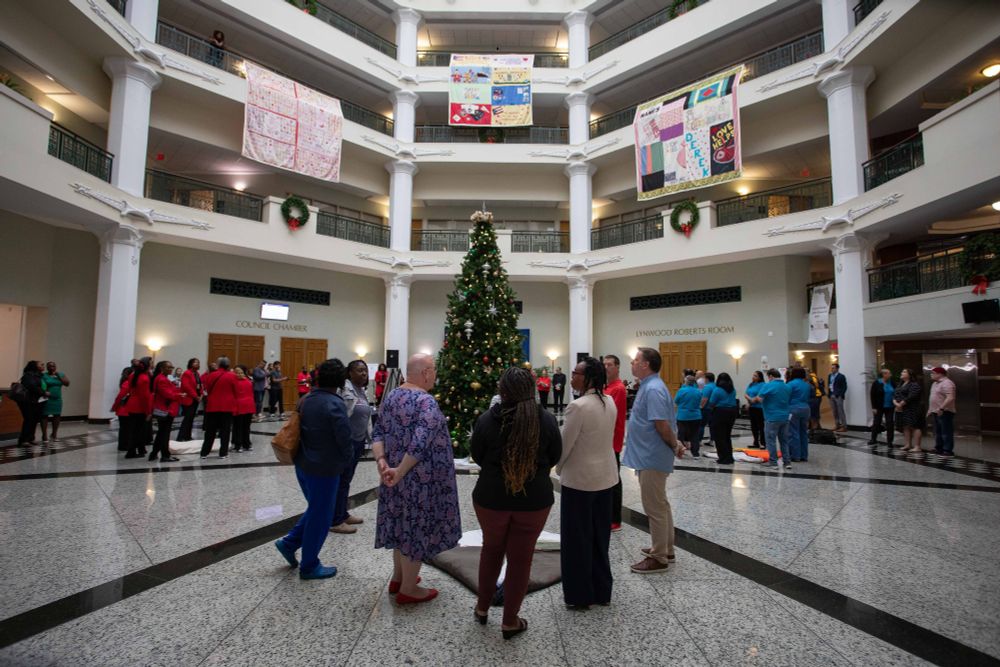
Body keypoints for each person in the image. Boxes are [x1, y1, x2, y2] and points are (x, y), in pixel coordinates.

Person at [470, 367, 561, 638]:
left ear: (503, 391)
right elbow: (555, 455)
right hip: (534, 501)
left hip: (490, 499)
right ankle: (510, 620)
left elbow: (477, 455)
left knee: (491, 551)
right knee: (521, 560)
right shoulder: (545, 421)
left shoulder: (487, 419)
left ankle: (482, 608)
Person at [373, 353, 461, 604]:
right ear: (425, 373)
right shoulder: (426, 402)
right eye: (433, 369)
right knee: (416, 529)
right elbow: (420, 443)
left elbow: (377, 432)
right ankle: (409, 589)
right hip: (419, 480)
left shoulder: (391, 396)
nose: (435, 375)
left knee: (401, 524)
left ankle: (399, 578)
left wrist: (383, 464)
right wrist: (400, 471)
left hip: (392, 476)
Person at [274, 359, 354, 580]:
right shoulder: (335, 404)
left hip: (304, 465)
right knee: (321, 517)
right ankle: (309, 565)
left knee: (316, 510)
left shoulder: (306, 399)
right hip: (325, 469)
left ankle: (289, 543)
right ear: (340, 380)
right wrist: (348, 460)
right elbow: (344, 438)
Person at [558, 357, 618, 609]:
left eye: (576, 374)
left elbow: (564, 444)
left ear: (589, 378)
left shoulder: (578, 406)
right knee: (599, 538)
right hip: (606, 479)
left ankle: (579, 596)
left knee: (576, 540)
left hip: (580, 482)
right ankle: (602, 591)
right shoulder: (610, 402)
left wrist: (557, 466)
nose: (572, 378)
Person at [622, 347, 685, 574]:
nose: (632, 362)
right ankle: (665, 548)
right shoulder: (649, 386)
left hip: (652, 456)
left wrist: (675, 445)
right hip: (648, 454)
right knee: (661, 504)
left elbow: (662, 424)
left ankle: (659, 558)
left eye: (636, 360)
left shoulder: (654, 389)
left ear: (645, 364)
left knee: (654, 507)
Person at [330, 360, 372, 534]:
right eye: (359, 370)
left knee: (347, 480)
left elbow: (365, 416)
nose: (364, 373)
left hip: (358, 441)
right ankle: (335, 520)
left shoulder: (362, 390)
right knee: (341, 480)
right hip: (346, 442)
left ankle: (342, 513)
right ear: (350, 373)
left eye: (365, 371)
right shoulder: (344, 389)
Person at [602, 355, 627, 530]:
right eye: (604, 365)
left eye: (610, 365)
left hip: (612, 440)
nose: (606, 367)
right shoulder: (607, 387)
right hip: (605, 440)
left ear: (617, 367)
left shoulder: (617, 388)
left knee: (614, 480)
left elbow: (608, 414)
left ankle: (614, 519)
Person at [752, 368, 792, 469]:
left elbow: (760, 399)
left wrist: (754, 399)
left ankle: (773, 462)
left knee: (771, 440)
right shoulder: (787, 386)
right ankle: (787, 462)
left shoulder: (768, 385)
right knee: (784, 441)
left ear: (770, 376)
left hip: (772, 417)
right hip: (785, 417)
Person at [200, 357, 239, 459]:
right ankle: (223, 453)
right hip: (227, 406)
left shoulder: (211, 375)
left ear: (219, 365)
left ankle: (204, 452)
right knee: (225, 431)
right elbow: (236, 390)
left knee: (210, 431)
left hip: (213, 406)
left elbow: (207, 388)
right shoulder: (232, 376)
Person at [149, 360, 183, 462]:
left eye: (171, 367)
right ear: (162, 368)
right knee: (164, 433)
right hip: (165, 409)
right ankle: (165, 455)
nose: (170, 369)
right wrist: (179, 395)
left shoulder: (162, 378)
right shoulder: (162, 379)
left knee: (161, 433)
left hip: (163, 408)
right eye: (168, 367)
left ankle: (154, 453)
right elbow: (168, 394)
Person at [124, 357, 153, 459]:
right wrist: (148, 412)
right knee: (139, 430)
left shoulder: (133, 375)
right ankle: (131, 451)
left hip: (132, 404)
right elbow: (145, 396)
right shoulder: (144, 378)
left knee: (134, 429)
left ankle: (140, 448)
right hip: (140, 406)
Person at [707, 372, 738, 465]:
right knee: (727, 436)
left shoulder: (717, 390)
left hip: (720, 412)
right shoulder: (732, 390)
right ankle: (729, 457)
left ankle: (723, 458)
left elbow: (712, 402)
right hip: (732, 412)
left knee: (719, 437)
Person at [927, 367, 957, 456]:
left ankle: (947, 450)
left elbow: (950, 397)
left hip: (945, 411)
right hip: (935, 411)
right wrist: (930, 410)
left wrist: (942, 408)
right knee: (938, 431)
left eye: (933, 373)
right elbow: (932, 398)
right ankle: (939, 447)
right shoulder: (934, 384)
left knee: (946, 431)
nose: (931, 374)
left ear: (940, 374)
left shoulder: (947, 383)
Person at [15, 361, 46, 445]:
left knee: (34, 420)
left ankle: (30, 438)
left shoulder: (40, 375)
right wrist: (44, 393)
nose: (44, 365)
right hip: (27, 401)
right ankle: (23, 440)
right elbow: (32, 386)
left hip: (36, 401)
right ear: (35, 366)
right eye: (41, 364)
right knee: (29, 419)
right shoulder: (29, 375)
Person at [894, 369, 924, 453]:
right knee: (905, 426)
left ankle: (917, 446)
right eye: (902, 371)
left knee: (915, 426)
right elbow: (895, 395)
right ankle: (907, 444)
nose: (901, 373)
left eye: (904, 372)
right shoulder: (900, 384)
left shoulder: (914, 385)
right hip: (902, 409)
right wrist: (895, 403)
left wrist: (901, 404)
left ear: (910, 374)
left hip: (912, 408)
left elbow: (912, 396)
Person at [786, 368, 813, 463]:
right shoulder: (807, 385)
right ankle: (804, 456)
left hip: (793, 409)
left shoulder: (790, 384)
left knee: (793, 432)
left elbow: (786, 397)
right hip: (806, 409)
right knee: (804, 432)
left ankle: (795, 456)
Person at [40, 361, 69, 442]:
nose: (51, 368)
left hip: (57, 399)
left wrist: (59, 376)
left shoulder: (61, 374)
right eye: (49, 366)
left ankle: (54, 434)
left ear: (56, 367)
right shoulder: (44, 375)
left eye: (53, 366)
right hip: (47, 399)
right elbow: (41, 385)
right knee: (44, 416)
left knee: (57, 416)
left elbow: (67, 383)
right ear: (47, 367)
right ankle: (44, 435)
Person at [674, 375, 702, 457]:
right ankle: (695, 453)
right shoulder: (698, 391)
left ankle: (680, 451)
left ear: (685, 382)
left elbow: (676, 401)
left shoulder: (682, 391)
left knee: (681, 434)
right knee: (695, 435)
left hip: (683, 416)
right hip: (696, 415)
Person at [869, 368, 896, 446]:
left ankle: (890, 441)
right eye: (888, 373)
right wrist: (873, 407)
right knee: (876, 423)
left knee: (890, 423)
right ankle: (873, 439)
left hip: (890, 406)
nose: (890, 375)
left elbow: (896, 392)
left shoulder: (892, 383)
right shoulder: (877, 383)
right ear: (884, 374)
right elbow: (872, 395)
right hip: (879, 406)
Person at [177, 358, 202, 441]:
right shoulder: (187, 373)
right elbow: (187, 387)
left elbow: (199, 385)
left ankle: (187, 436)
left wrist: (201, 394)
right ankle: (181, 436)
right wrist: (196, 396)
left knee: (191, 418)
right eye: (195, 362)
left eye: (198, 363)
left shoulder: (197, 373)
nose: (197, 364)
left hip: (195, 398)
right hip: (189, 398)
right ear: (190, 364)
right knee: (187, 418)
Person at [232, 366, 255, 453]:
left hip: (248, 406)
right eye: (237, 372)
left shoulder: (248, 382)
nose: (240, 374)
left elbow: (251, 394)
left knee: (246, 427)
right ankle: (238, 445)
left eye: (241, 372)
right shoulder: (233, 382)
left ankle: (246, 444)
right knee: (238, 427)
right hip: (238, 407)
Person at [112, 366, 133, 453]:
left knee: (125, 429)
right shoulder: (127, 383)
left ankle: (125, 444)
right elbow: (120, 397)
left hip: (124, 409)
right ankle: (123, 445)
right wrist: (114, 406)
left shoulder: (126, 383)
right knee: (125, 429)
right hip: (125, 410)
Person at [744, 371, 766, 448]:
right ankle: (755, 442)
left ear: (760, 377)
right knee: (754, 426)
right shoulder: (751, 384)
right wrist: (750, 401)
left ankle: (763, 442)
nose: (753, 377)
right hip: (752, 407)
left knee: (761, 426)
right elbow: (746, 394)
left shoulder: (763, 385)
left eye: (755, 376)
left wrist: (750, 402)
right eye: (753, 375)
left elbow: (759, 395)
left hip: (759, 408)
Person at [696, 372, 716, 449]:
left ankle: (699, 441)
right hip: (714, 409)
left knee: (701, 425)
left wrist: (700, 407)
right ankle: (712, 440)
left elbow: (704, 399)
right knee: (712, 426)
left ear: (707, 379)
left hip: (706, 409)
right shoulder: (715, 385)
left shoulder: (707, 387)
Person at [828, 363, 848, 432]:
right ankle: (837, 425)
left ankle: (844, 426)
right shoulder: (830, 376)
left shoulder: (841, 376)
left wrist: (840, 394)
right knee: (834, 411)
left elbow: (844, 387)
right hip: (831, 395)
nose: (832, 369)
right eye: (831, 368)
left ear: (837, 369)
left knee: (840, 411)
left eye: (833, 368)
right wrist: (829, 394)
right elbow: (829, 384)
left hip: (838, 396)